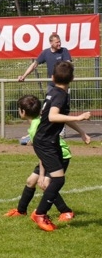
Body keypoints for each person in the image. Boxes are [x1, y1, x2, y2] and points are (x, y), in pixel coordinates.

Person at [25, 61, 90, 231]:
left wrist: (81, 132)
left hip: (48, 141)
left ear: (52, 78)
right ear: (72, 79)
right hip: (45, 142)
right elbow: (53, 117)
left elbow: (60, 117)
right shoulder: (60, 95)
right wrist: (79, 117)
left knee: (52, 180)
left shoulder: (54, 92)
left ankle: (60, 211)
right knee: (58, 179)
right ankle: (40, 214)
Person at [4, 94, 89, 221]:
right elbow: (63, 119)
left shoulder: (35, 128)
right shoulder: (42, 118)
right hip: (51, 153)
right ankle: (21, 211)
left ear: (22, 112)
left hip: (59, 155)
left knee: (45, 184)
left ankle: (66, 212)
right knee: (30, 181)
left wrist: (42, 175)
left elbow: (42, 154)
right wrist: (81, 132)